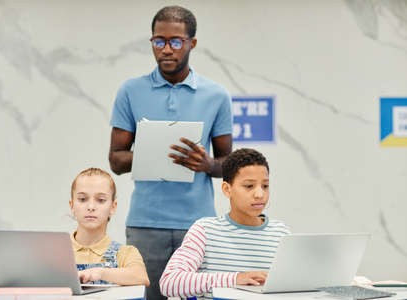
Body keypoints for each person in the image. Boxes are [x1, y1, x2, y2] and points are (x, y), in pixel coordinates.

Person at [108, 5, 233, 299]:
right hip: (144, 225)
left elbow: (229, 165)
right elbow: (116, 159)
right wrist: (154, 152)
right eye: (158, 41)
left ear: (192, 43)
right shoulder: (130, 91)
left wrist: (207, 164)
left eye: (175, 41)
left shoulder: (216, 95)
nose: (166, 49)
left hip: (199, 226)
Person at [159, 148, 291, 299]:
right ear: (227, 190)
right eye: (249, 186)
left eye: (265, 186)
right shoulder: (205, 230)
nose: (260, 194)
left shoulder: (281, 233)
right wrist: (235, 279)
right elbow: (169, 282)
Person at [69, 167, 149, 286]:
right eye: (82, 199)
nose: (91, 206)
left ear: (113, 207)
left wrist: (101, 273)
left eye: (100, 200)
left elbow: (141, 277)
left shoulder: (125, 253)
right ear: (72, 206)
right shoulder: (55, 252)